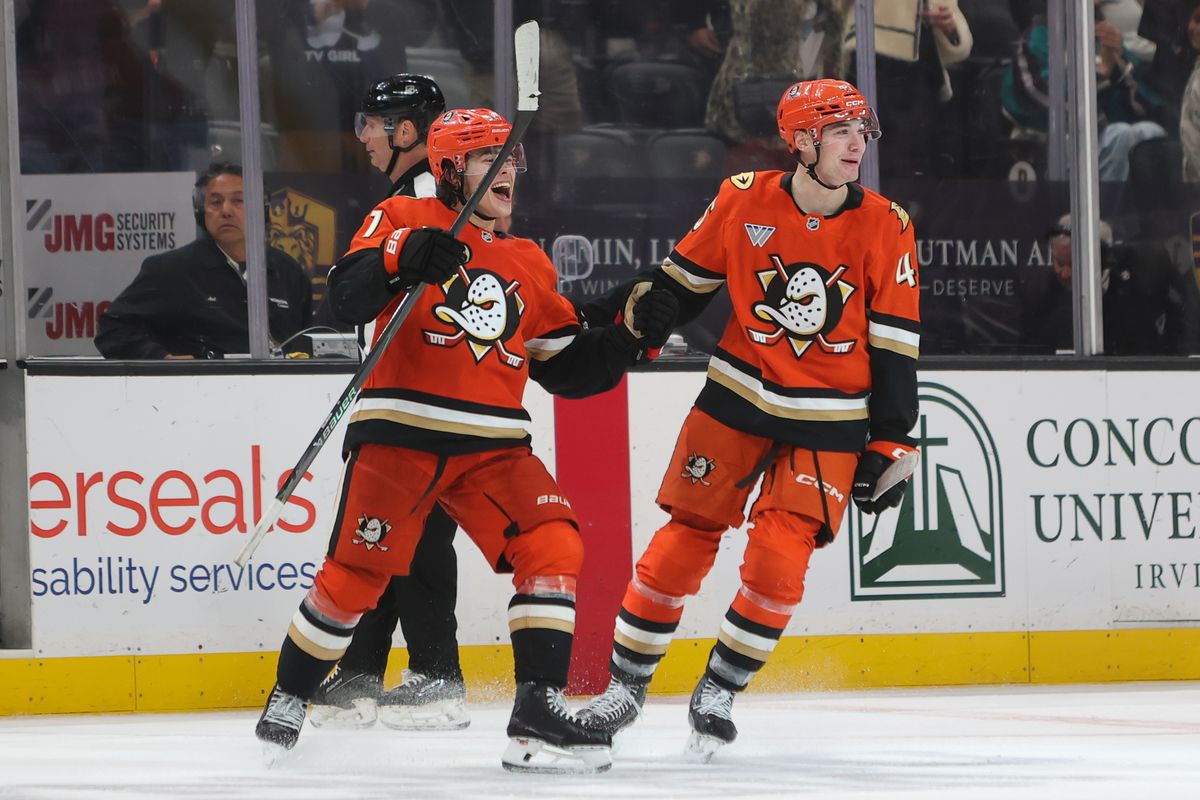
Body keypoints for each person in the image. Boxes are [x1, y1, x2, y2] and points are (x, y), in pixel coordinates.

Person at [253, 107, 679, 773]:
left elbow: (566, 368)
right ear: (451, 168)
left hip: (493, 446)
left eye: (512, 160)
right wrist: (402, 257)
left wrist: (625, 338)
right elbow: (346, 295)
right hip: (402, 432)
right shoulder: (402, 218)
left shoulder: (529, 261)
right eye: (491, 159)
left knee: (554, 542)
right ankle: (290, 693)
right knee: (356, 580)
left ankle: (537, 706)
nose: (510, 170)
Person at [575, 79, 921, 762]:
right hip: (737, 399)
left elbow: (895, 346)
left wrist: (891, 438)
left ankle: (719, 689)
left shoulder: (888, 223)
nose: (857, 143)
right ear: (801, 140)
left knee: (777, 563)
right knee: (683, 542)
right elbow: (679, 286)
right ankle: (624, 690)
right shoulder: (742, 198)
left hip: (830, 421)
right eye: (841, 130)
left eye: (862, 131)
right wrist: (609, 313)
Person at [304, 73, 475, 732]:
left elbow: (346, 299)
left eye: (373, 123)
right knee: (382, 534)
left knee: (398, 534)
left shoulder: (417, 201)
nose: (365, 137)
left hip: (419, 399)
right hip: (446, 392)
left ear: (408, 131)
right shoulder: (446, 196)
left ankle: (433, 673)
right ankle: (363, 674)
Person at [94, 161, 312, 359]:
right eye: (215, 202)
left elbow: (309, 341)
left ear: (261, 209)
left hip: (280, 390)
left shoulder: (287, 270)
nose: (226, 211)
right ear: (200, 210)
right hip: (202, 391)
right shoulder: (172, 270)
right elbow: (113, 330)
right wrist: (161, 359)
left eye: (238, 200)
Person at [1002, 1, 1166, 182]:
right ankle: (1108, 210)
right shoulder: (1036, 38)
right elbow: (1036, 96)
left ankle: (1149, 210)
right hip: (1049, 147)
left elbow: (1145, 102)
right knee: (1121, 135)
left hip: (1101, 141)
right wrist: (1099, 73)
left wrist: (1117, 67)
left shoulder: (1101, 37)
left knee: (1152, 132)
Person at [1020, 213, 1200, 355]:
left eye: (1073, 264)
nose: (1065, 273)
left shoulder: (1147, 268)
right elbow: (1028, 352)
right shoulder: (1039, 290)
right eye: (1059, 263)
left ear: (1105, 256)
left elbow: (1184, 323)